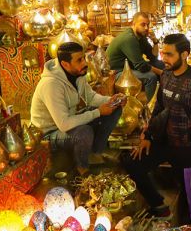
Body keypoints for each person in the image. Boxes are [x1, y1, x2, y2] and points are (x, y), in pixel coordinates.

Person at [125, 33, 191, 223]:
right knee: (132, 162)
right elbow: (159, 107)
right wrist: (148, 136)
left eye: (169, 54)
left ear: (184, 55)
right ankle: (158, 204)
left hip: (189, 147)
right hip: (165, 141)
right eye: (162, 54)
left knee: (189, 198)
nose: (163, 59)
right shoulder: (166, 76)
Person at [31, 42, 125, 177]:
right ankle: (82, 168)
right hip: (48, 133)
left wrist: (111, 100)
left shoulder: (77, 73)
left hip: (67, 121)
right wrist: (98, 112)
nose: (85, 63)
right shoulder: (51, 84)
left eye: (84, 58)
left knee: (114, 109)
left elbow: (91, 98)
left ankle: (95, 154)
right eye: (79, 60)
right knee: (84, 131)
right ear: (65, 64)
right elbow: (64, 124)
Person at [106, 12, 164, 97]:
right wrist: (161, 73)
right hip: (118, 71)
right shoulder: (129, 38)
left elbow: (153, 56)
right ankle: (151, 107)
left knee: (160, 64)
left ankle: (161, 99)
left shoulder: (141, 36)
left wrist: (155, 41)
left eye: (148, 25)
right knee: (151, 77)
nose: (146, 28)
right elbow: (141, 66)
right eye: (143, 25)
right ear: (133, 24)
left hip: (130, 67)